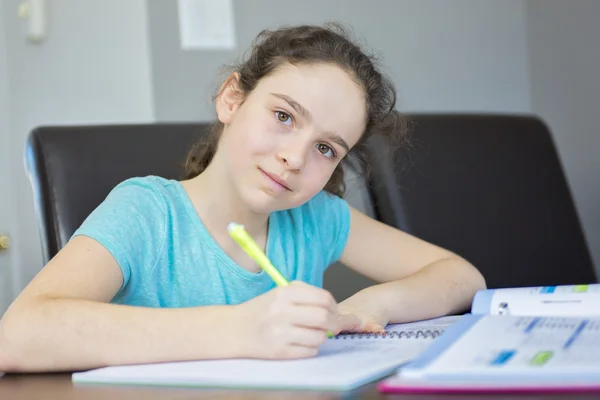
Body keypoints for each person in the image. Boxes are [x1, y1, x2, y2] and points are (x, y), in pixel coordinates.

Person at [0, 23, 485, 373]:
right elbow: (17, 335)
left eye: (325, 148)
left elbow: (461, 276)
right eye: (284, 116)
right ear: (232, 99)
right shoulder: (146, 212)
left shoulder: (316, 218)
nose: (296, 157)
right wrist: (239, 330)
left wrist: (373, 305)